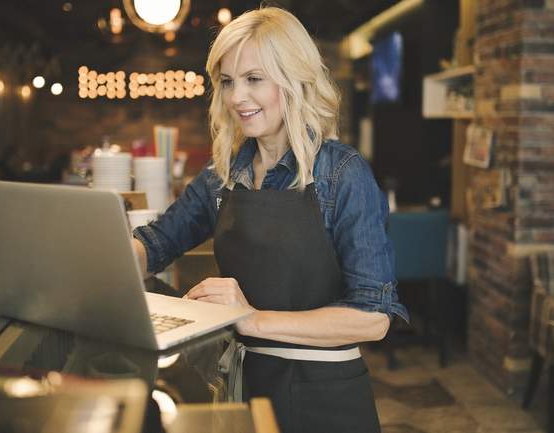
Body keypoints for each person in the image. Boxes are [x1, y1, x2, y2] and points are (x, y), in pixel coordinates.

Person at [131, 6, 408, 433]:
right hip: (246, 389)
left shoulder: (342, 174)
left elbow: (373, 317)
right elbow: (156, 243)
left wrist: (250, 319)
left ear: (295, 79)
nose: (237, 97)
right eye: (227, 82)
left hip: (324, 397)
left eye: (254, 79)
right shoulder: (223, 175)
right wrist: (104, 264)